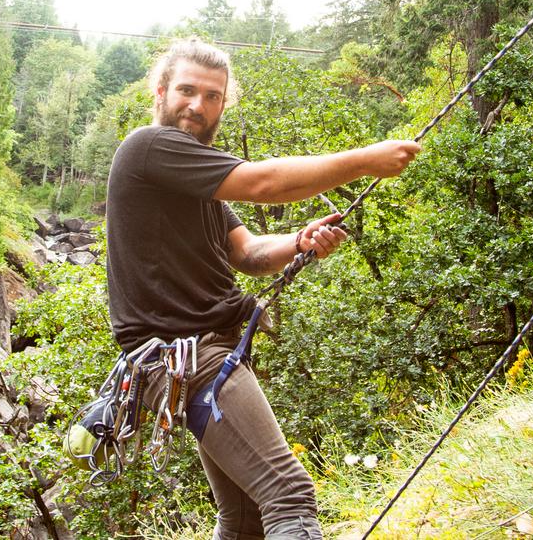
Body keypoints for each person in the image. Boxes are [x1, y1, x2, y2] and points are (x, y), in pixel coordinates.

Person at [106, 38, 421, 540]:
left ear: (224, 104)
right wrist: (365, 160)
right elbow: (263, 184)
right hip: (189, 358)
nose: (198, 105)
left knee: (248, 514)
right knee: (288, 493)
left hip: (197, 357)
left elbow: (248, 254)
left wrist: (299, 242)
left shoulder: (194, 179)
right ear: (161, 91)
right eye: (187, 91)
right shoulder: (149, 148)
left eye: (213, 96)